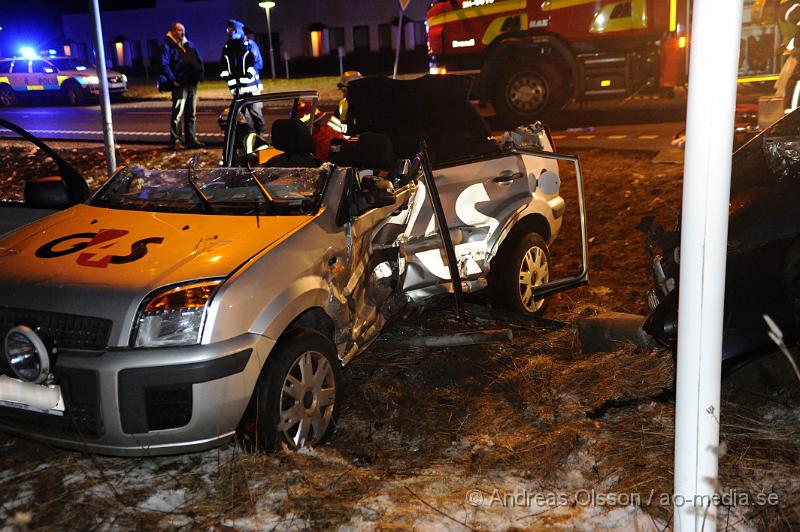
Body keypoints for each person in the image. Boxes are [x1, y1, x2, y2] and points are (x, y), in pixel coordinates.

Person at [161, 22, 205, 149]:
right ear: (173, 31)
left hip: (191, 83)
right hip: (179, 84)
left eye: (183, 30)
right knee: (178, 113)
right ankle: (175, 141)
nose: (183, 33)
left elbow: (198, 60)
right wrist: (173, 79)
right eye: (180, 30)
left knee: (191, 113)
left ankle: (191, 139)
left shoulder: (189, 45)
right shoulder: (167, 46)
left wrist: (199, 76)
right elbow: (164, 64)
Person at [221, 19, 264, 135]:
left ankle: (261, 137)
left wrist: (249, 73)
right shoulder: (227, 47)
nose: (229, 32)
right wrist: (227, 77)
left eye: (231, 30)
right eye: (228, 30)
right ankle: (248, 141)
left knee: (256, 114)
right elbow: (224, 66)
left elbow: (258, 63)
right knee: (242, 118)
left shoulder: (250, 45)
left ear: (238, 31)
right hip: (237, 90)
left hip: (251, 89)